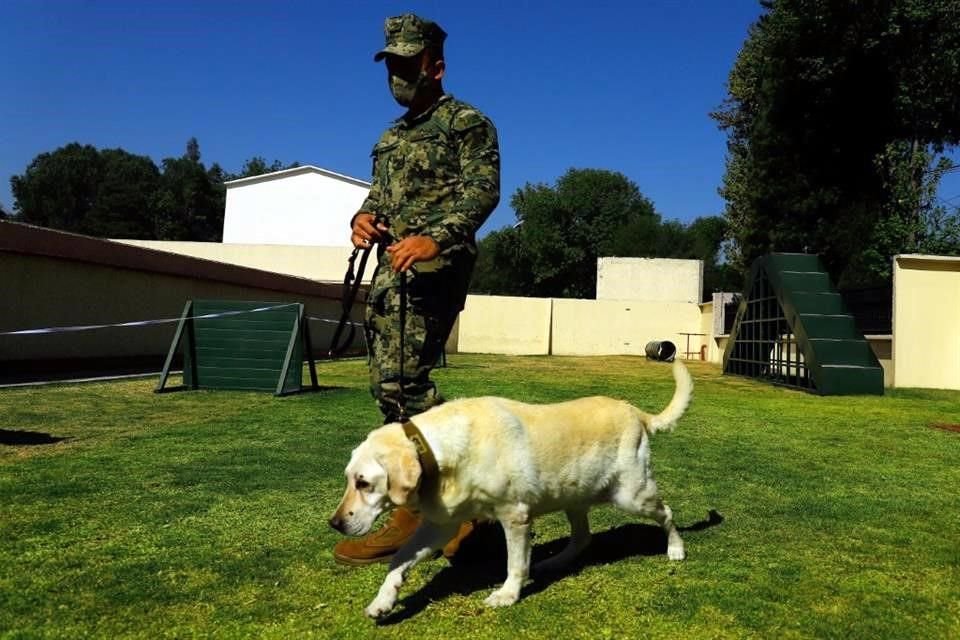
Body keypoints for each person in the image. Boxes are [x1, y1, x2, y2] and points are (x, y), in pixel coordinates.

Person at [333, 13, 500, 566]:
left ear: (437, 66)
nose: (399, 76)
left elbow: (483, 193)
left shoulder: (467, 123)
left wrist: (435, 238)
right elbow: (380, 198)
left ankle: (443, 511)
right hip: (390, 277)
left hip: (433, 273)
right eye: (393, 66)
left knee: (405, 385)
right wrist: (363, 218)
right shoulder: (390, 138)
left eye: (409, 64)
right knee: (389, 387)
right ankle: (445, 504)